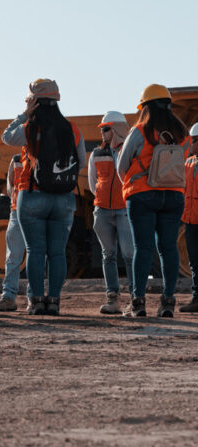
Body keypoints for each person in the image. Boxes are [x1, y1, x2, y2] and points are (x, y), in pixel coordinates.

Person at [2, 79, 86, 316]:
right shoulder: (72, 128)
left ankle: (37, 301)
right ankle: (55, 301)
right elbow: (82, 161)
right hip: (63, 198)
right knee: (57, 252)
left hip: (32, 195)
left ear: (34, 101)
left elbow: (6, 137)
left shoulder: (29, 127)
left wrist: (23, 114)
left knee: (36, 251)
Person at [117, 84, 190, 318]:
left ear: (145, 107)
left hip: (142, 195)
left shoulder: (140, 131)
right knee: (169, 248)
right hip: (174, 195)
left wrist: (132, 186)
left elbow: (122, 165)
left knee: (143, 248)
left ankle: (138, 303)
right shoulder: (183, 134)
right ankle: (168, 302)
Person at [88, 111, 134, 314]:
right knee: (108, 255)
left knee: (129, 255)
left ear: (116, 129)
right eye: (101, 129)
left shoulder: (131, 151)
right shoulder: (96, 154)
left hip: (124, 210)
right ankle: (113, 299)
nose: (102, 132)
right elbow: (92, 183)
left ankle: (135, 298)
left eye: (106, 128)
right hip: (103, 211)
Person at [0, 153, 26, 312]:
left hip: (26, 211)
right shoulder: (17, 159)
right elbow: (11, 185)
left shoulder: (19, 159)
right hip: (19, 210)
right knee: (14, 256)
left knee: (17, 256)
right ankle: (9, 297)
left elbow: (11, 185)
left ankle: (14, 297)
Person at [180, 123, 198, 313]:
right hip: (191, 221)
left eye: (192, 141)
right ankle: (197, 298)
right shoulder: (188, 163)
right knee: (194, 262)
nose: (190, 145)